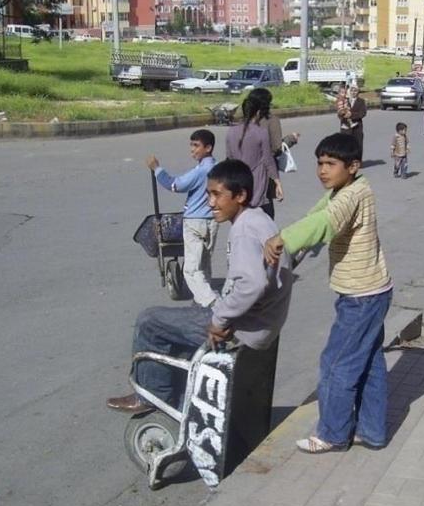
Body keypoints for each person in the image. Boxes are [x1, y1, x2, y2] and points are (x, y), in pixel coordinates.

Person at [106, 160, 293, 415]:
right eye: (208, 194)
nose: (211, 203)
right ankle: (181, 395)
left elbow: (252, 284)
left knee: (149, 321)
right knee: (191, 310)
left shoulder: (244, 230)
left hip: (244, 330)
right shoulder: (259, 219)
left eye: (217, 195)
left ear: (240, 196)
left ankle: (151, 395)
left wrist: (220, 321)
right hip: (259, 324)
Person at [264, 133, 393, 453]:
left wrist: (282, 238)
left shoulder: (351, 196)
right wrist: (296, 245)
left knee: (336, 364)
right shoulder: (349, 188)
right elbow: (317, 215)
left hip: (361, 297)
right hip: (373, 292)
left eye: (330, 164)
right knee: (370, 363)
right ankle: (372, 432)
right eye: (320, 163)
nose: (322, 170)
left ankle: (333, 434)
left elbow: (327, 221)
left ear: (353, 166)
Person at [147, 129, 218, 307]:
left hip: (195, 222)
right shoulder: (216, 167)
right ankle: (200, 300)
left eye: (196, 146)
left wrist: (157, 169)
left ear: (208, 148)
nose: (192, 150)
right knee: (204, 264)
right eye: (191, 145)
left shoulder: (201, 171)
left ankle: (212, 302)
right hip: (212, 221)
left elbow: (174, 185)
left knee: (191, 270)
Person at [226, 92, 280, 218]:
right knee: (264, 221)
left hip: (238, 181)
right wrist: (277, 182)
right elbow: (268, 160)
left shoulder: (231, 132)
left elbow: (229, 157)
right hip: (258, 185)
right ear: (257, 113)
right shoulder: (261, 132)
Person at [338, 84, 367, 153]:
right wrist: (342, 115)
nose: (353, 92)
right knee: (345, 147)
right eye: (352, 90)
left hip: (357, 128)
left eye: (355, 91)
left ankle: (357, 162)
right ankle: (346, 162)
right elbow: (339, 112)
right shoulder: (345, 100)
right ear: (349, 91)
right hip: (345, 127)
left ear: (358, 92)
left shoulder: (361, 101)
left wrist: (351, 115)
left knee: (357, 146)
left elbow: (363, 113)